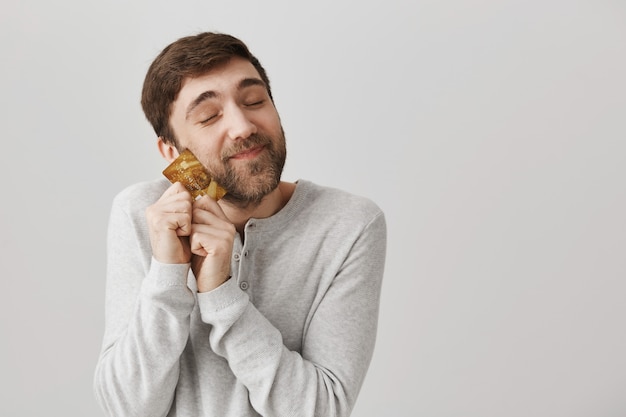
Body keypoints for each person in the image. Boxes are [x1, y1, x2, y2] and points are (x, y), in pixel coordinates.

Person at [93, 31, 387, 417]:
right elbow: (126, 408)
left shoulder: (348, 224)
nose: (242, 125)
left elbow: (322, 410)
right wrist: (167, 274)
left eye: (255, 100)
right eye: (209, 116)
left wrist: (220, 293)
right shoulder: (141, 213)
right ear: (171, 152)